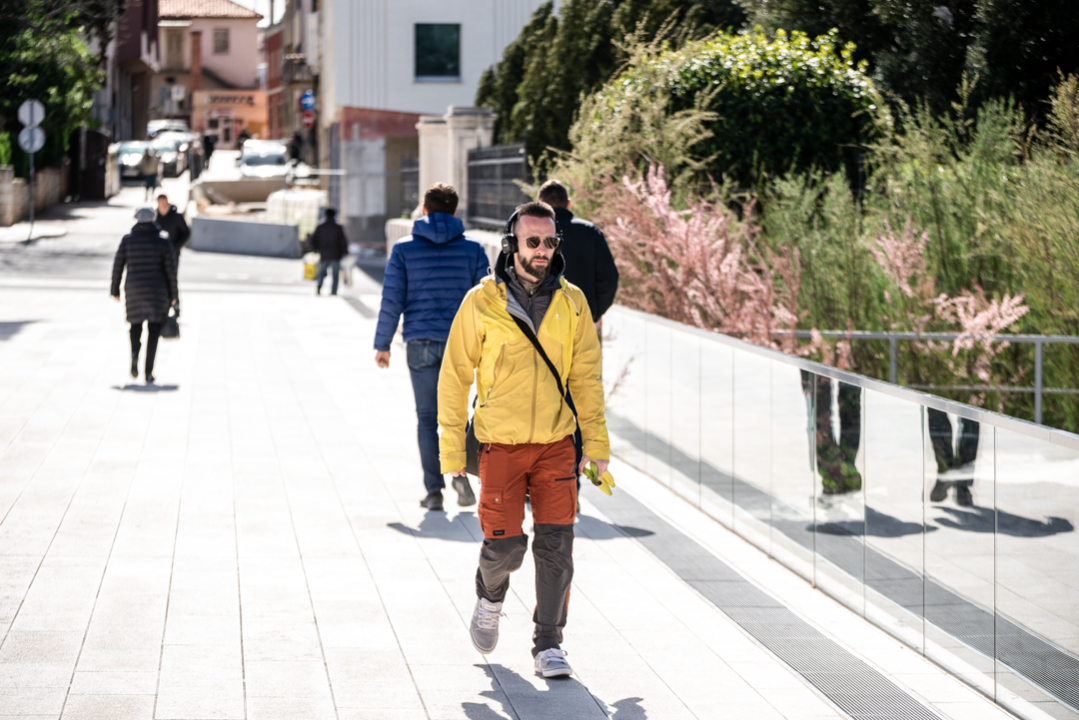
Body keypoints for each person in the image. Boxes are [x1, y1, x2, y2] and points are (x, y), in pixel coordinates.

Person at [438, 200, 609, 678]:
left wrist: (596, 446)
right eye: (533, 241)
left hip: (557, 442)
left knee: (557, 546)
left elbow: (587, 379)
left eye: (550, 242)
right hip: (501, 444)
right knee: (506, 547)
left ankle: (549, 644)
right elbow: (454, 377)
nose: (543, 250)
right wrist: (452, 449)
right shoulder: (482, 301)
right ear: (512, 244)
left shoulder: (573, 302)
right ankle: (489, 597)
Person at [374, 183, 490, 510]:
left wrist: (383, 344)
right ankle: (461, 476)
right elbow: (488, 303)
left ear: (423, 210)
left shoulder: (403, 249)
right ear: (455, 212)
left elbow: (391, 298)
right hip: (462, 345)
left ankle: (434, 491)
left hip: (420, 342)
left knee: (427, 418)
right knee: (461, 415)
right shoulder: (474, 250)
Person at [537, 179, 620, 482]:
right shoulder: (590, 233)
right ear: (568, 205)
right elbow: (609, 278)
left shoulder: (532, 235)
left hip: (540, 334)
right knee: (582, 401)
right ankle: (571, 481)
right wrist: (594, 314)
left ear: (542, 206)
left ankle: (543, 481)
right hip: (582, 332)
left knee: (544, 400)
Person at [111, 207, 178, 384]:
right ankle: (148, 372)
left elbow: (118, 265)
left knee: (135, 326)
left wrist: (115, 289)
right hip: (157, 291)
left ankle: (134, 355)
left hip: (134, 289)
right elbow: (170, 270)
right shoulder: (162, 240)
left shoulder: (128, 240)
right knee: (154, 332)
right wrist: (173, 295)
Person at [307, 208, 350, 295]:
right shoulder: (338, 226)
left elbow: (313, 239)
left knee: (322, 272)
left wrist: (315, 249)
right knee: (335, 275)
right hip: (336, 254)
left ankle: (320, 282)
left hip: (323, 254)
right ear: (334, 215)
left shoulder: (320, 225)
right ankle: (333, 292)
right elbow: (343, 241)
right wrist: (345, 252)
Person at [155, 194, 190, 272]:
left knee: (171, 276)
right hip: (157, 254)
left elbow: (186, 232)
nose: (164, 206)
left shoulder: (176, 217)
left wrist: (176, 246)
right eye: (161, 204)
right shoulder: (154, 218)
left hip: (172, 253)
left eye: (165, 204)